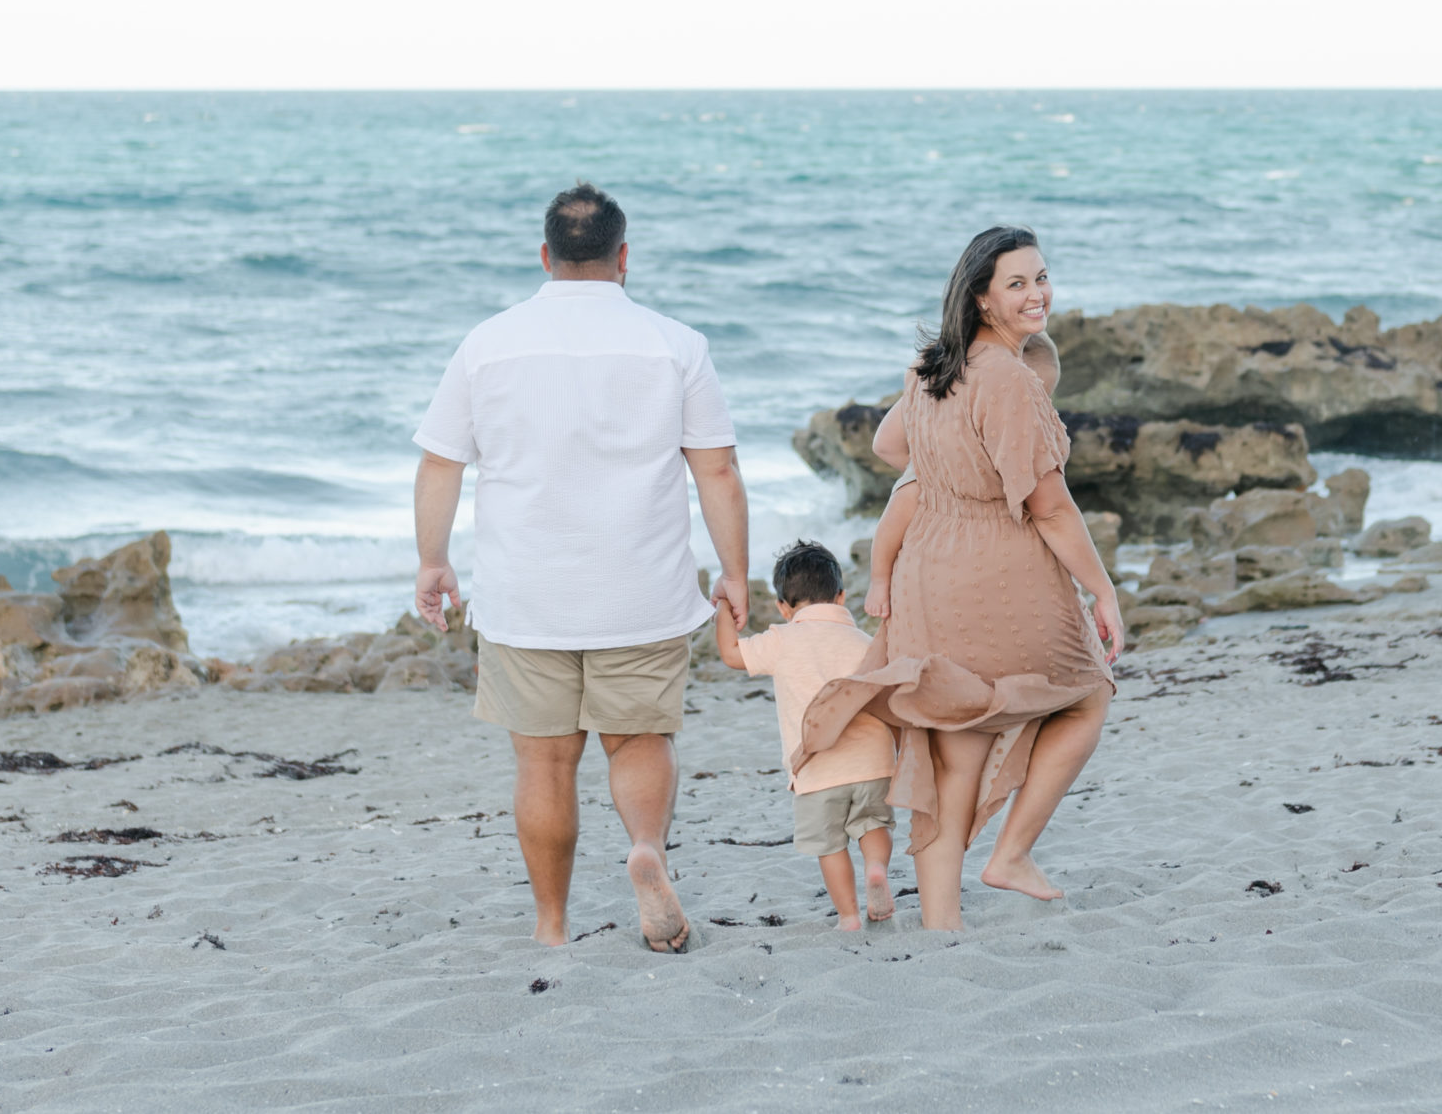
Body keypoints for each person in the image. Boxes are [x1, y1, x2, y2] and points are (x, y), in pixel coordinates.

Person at [409, 183, 750, 952]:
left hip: (526, 595)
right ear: (623, 258)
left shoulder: (488, 342)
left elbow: (440, 465)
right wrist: (735, 571)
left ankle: (552, 925)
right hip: (644, 587)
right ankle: (645, 850)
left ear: (545, 257)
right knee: (636, 739)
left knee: (544, 759)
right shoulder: (675, 344)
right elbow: (718, 471)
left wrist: (433, 560)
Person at [803, 227, 1122, 931]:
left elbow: (890, 444)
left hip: (927, 571)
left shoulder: (932, 368)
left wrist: (946, 473)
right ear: (981, 297)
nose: (1037, 292)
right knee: (1088, 691)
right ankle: (1010, 853)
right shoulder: (1009, 377)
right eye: (1017, 283)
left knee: (957, 757)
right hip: (997, 570)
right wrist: (1103, 588)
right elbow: (1050, 505)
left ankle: (942, 926)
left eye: (1041, 277)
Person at [715, 541, 900, 931]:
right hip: (873, 764)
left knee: (830, 845)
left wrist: (722, 606)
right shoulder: (866, 645)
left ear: (783, 607)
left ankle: (849, 916)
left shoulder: (782, 641)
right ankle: (877, 869)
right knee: (873, 825)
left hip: (816, 772)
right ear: (841, 596)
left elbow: (731, 654)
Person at [862, 331, 1059, 627]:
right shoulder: (926, 475)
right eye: (1031, 398)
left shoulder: (956, 393)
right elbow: (889, 522)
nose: (1032, 411)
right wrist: (943, 477)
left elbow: (884, 444)